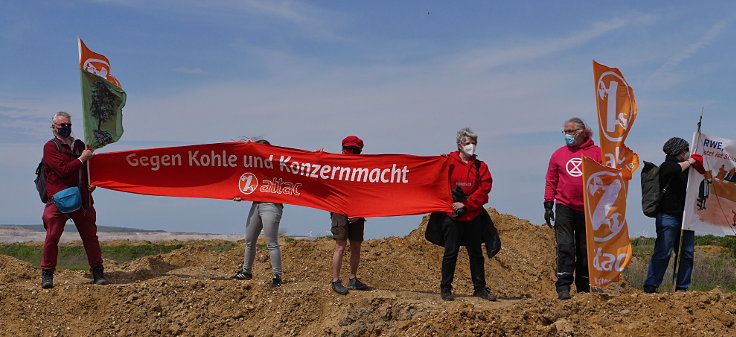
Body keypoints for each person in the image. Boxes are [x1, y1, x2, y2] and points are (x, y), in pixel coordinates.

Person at [40, 111, 107, 289]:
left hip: (83, 198)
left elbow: (89, 167)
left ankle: (98, 271)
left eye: (68, 124)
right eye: (62, 125)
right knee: (52, 237)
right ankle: (47, 274)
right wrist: (82, 158)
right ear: (53, 127)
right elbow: (63, 170)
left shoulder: (79, 145)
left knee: (90, 237)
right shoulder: (50, 147)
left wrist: (92, 182)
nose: (66, 128)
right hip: (58, 200)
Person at [544, 117, 601, 300]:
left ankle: (584, 287)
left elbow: (607, 177)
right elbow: (551, 181)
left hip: (589, 208)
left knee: (585, 249)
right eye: (565, 132)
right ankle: (563, 286)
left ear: (582, 132)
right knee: (565, 246)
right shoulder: (558, 154)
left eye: (571, 131)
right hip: (564, 206)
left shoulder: (598, 153)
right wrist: (548, 204)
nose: (567, 135)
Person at [437, 127, 495, 301]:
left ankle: (480, 288)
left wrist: (467, 204)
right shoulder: (447, 162)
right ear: (459, 145)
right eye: (467, 143)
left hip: (473, 214)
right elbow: (435, 179)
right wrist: (438, 162)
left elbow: (485, 190)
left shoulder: (480, 166)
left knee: (476, 253)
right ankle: (445, 288)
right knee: (451, 252)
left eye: (473, 143)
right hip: (451, 215)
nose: (471, 146)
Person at [643, 137, 704, 293]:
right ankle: (651, 286)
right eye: (685, 150)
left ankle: (682, 288)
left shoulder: (688, 169)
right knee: (664, 252)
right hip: (668, 217)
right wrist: (690, 162)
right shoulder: (666, 166)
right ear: (679, 152)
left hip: (687, 218)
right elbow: (673, 170)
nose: (687, 152)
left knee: (687, 254)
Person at [231, 139, 284, 288]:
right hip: (256, 204)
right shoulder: (255, 166)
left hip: (272, 205)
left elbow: (298, 166)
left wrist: (316, 156)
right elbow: (247, 181)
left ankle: (277, 277)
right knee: (249, 239)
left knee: (271, 242)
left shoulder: (278, 164)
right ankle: (246, 271)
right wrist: (241, 195)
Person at [329, 136, 369, 295]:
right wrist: (316, 156)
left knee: (356, 246)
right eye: (348, 150)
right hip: (339, 210)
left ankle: (353, 278)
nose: (351, 153)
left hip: (358, 211)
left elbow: (368, 193)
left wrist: (359, 213)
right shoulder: (334, 165)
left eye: (355, 150)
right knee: (340, 245)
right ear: (343, 149)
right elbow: (315, 168)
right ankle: (335, 280)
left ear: (360, 151)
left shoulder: (365, 169)